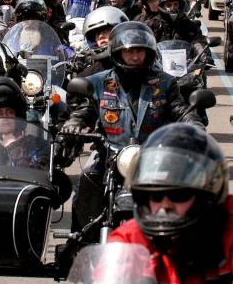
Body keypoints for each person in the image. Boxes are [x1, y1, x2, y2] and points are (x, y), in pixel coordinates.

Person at [60, 21, 204, 233]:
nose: (136, 57)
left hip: (154, 158)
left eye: (140, 52)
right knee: (87, 182)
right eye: (130, 52)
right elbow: (85, 111)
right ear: (118, 53)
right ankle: (79, 244)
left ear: (149, 53)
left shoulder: (165, 83)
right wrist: (74, 124)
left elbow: (181, 110)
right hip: (109, 157)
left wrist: (194, 126)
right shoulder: (99, 83)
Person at [107, 123, 233, 282]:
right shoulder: (130, 238)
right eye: (155, 196)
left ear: (205, 197)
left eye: (178, 195)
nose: (165, 205)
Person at [0, 76, 49, 169]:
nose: (5, 117)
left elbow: (40, 175)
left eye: (10, 112)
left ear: (17, 116)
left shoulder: (35, 145)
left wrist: (13, 148)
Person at [144, 0, 208, 61]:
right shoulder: (152, 24)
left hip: (185, 66)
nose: (172, 8)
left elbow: (198, 41)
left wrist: (203, 54)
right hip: (158, 67)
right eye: (168, 5)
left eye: (175, 5)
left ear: (180, 6)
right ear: (162, 6)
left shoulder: (189, 25)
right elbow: (144, 44)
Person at [73, 6, 128, 77]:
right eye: (97, 34)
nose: (101, 36)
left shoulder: (133, 62)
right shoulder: (89, 74)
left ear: (120, 31)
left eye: (105, 31)